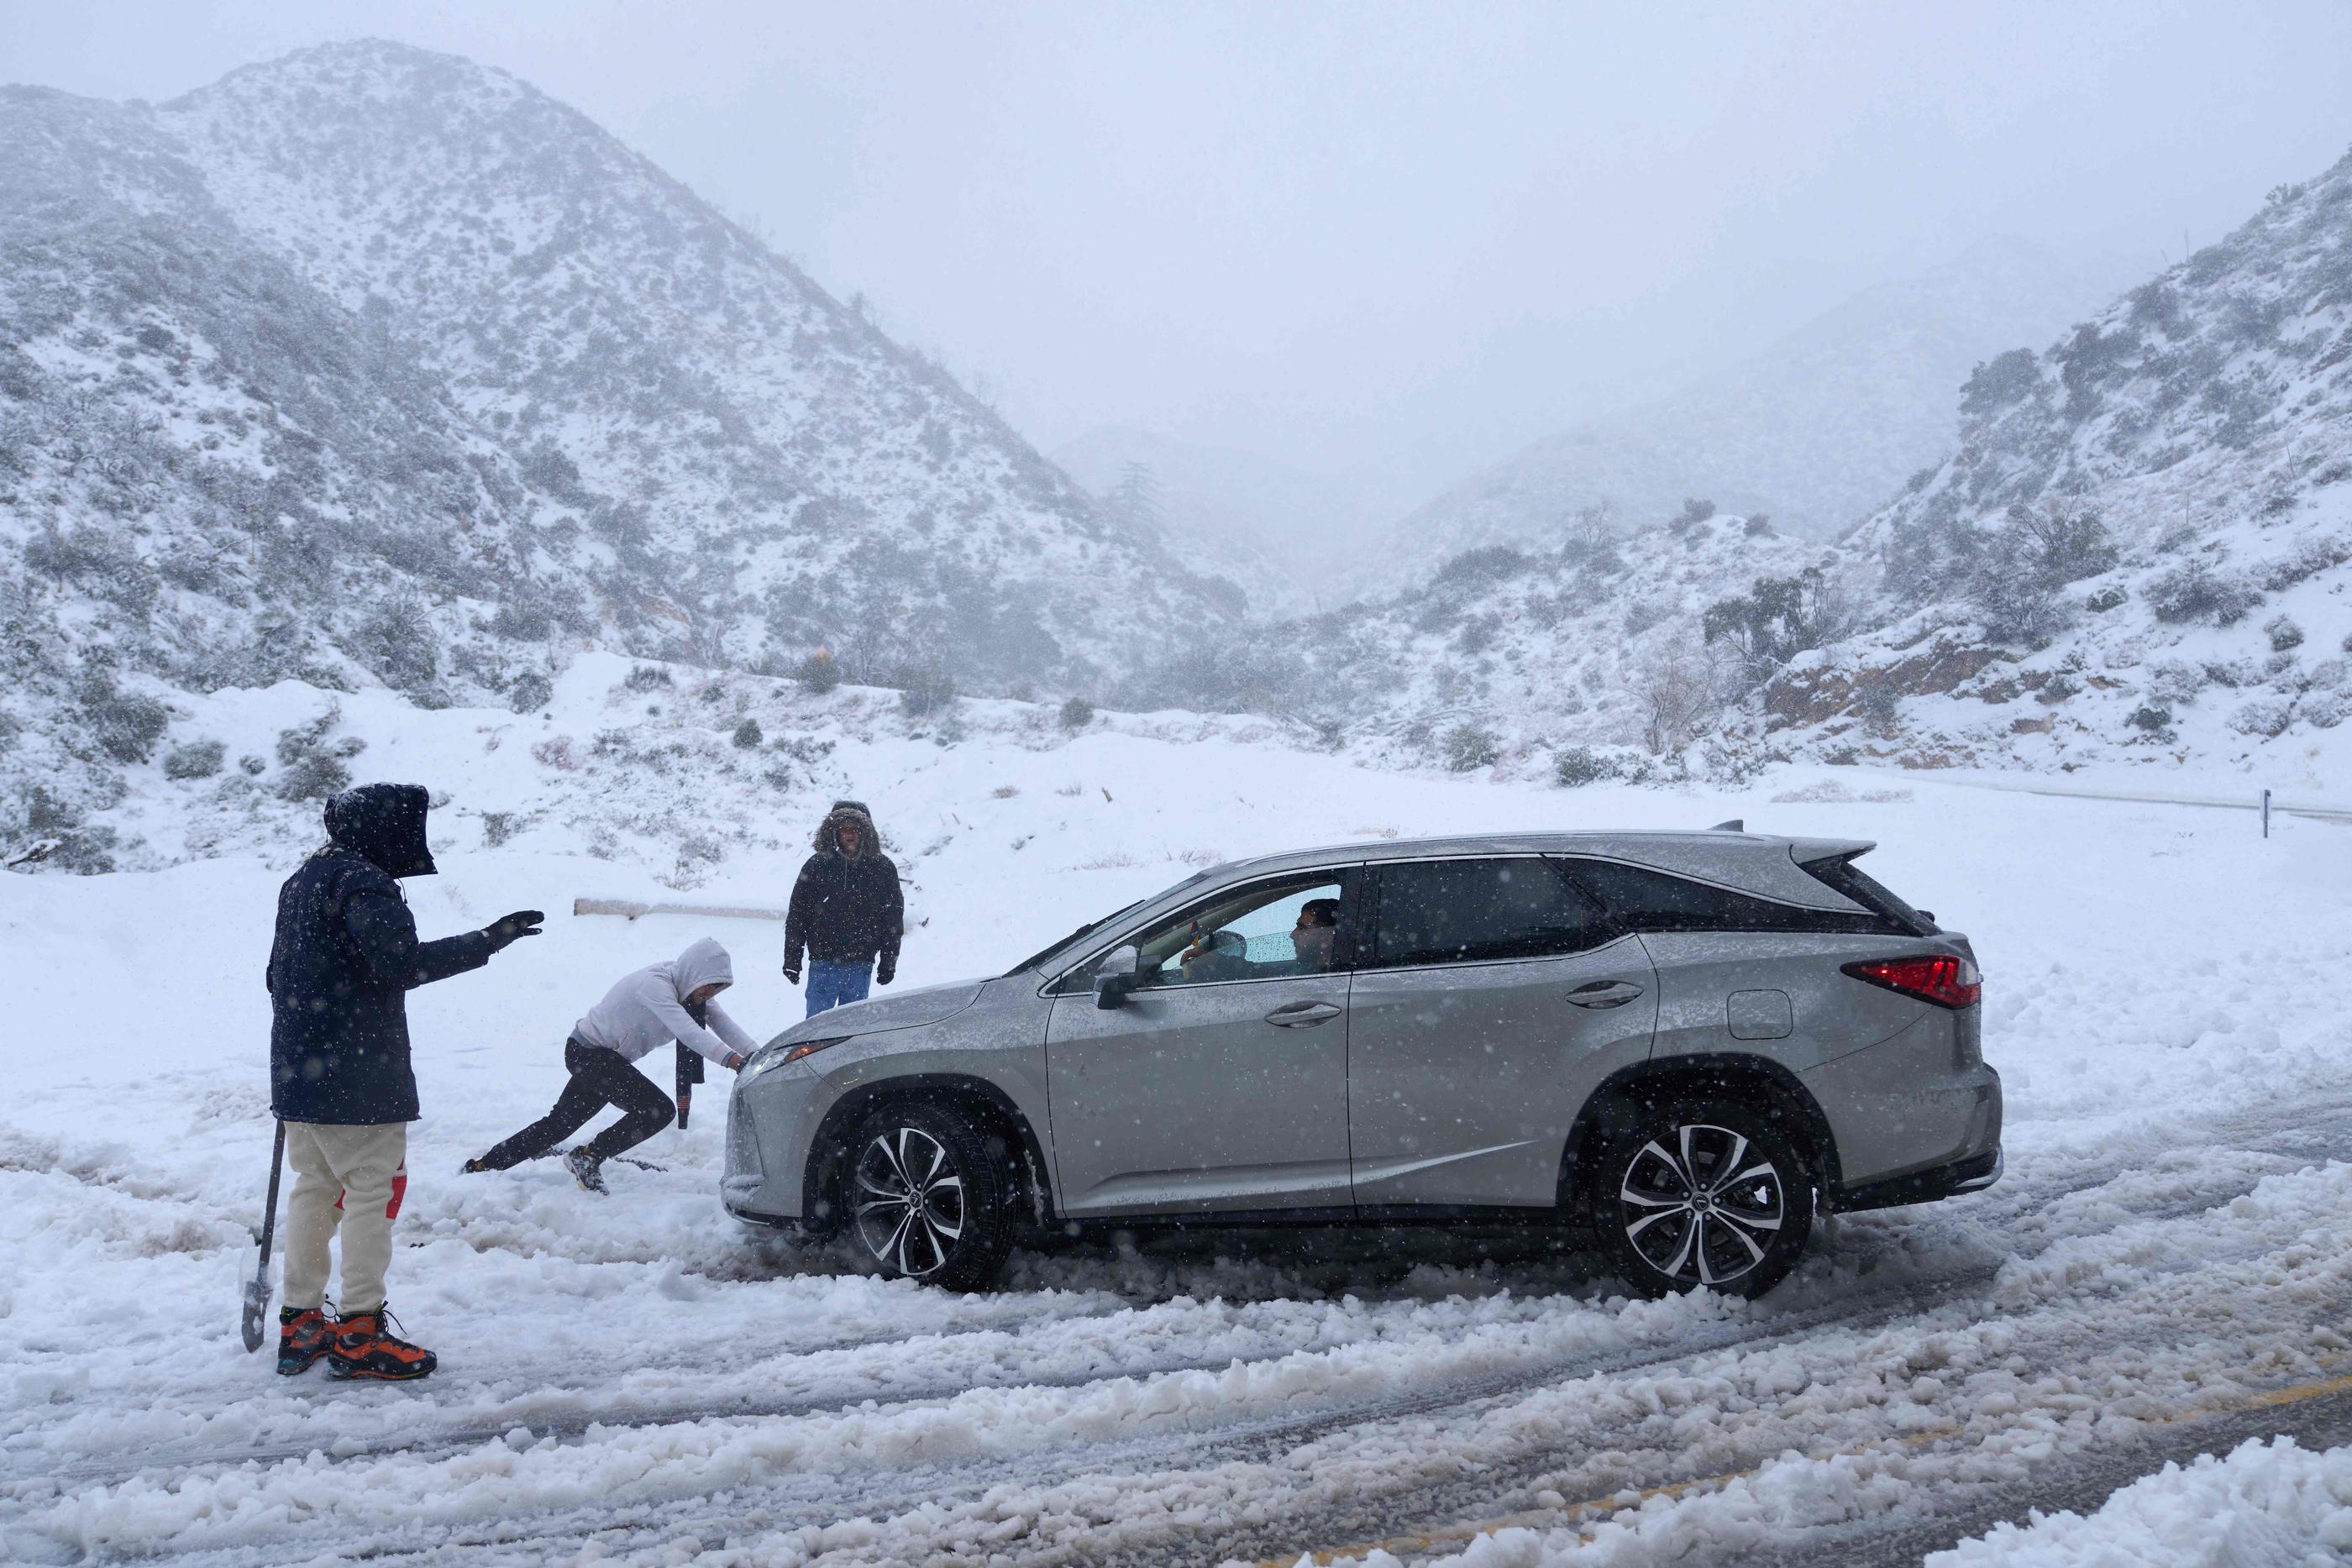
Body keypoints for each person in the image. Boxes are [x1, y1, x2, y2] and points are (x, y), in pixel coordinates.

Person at [267, 783, 542, 1381]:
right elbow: (401, 963)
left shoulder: (302, 880)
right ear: (381, 830)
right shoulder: (364, 882)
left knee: (315, 1189)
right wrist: (487, 941)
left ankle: (301, 1322)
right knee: (372, 1191)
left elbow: (274, 977)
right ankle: (361, 1331)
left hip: (298, 1073)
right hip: (357, 1080)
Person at [465, 938, 757, 1192]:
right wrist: (733, 1061)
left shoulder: (688, 990)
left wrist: (757, 1055)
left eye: (715, 993)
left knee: (559, 1125)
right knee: (656, 1111)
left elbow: (723, 1024)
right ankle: (584, 1156)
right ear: (696, 975)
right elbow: (689, 1033)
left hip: (604, 1059)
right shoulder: (656, 985)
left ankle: (486, 1166)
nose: (708, 997)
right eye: (708, 989)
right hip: (587, 1053)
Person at [783, 800, 904, 1016]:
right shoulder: (816, 866)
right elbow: (798, 916)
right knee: (815, 1031)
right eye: (844, 829)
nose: (850, 835)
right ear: (833, 832)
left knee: (851, 1029)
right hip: (823, 963)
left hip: (861, 964)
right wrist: (792, 959)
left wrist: (889, 961)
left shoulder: (883, 868)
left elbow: (892, 919)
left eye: (856, 829)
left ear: (866, 832)